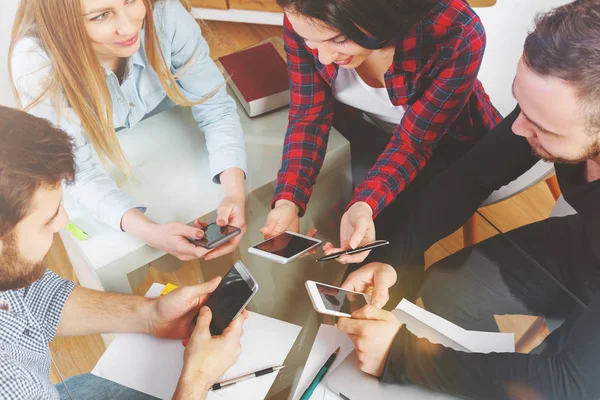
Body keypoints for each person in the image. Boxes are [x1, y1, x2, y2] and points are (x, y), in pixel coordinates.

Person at [336, 1, 600, 398]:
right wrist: (390, 258)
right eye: (520, 105)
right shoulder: (550, 113)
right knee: (447, 289)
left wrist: (402, 357)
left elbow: (569, 383)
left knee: (550, 373)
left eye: (542, 127)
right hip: (586, 248)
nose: (520, 127)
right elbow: (473, 174)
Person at [0, 105, 245, 399]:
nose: (62, 221)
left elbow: (36, 297)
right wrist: (198, 378)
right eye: (46, 219)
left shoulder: (9, 277)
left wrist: (151, 314)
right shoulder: (10, 383)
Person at [261, 0, 502, 283]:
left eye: (339, 39)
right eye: (309, 42)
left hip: (446, 140)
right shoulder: (302, 14)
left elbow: (414, 143)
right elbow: (309, 113)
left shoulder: (456, 31)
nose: (323, 58)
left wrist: (365, 203)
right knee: (338, 207)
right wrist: (289, 200)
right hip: (367, 126)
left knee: (389, 240)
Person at [9, 0, 247, 262]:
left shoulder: (164, 13)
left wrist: (234, 193)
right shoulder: (36, 62)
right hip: (102, 174)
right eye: (101, 16)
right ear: (64, 23)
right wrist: (150, 231)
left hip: (172, 146)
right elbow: (76, 170)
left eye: (131, 1)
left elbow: (215, 107)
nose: (129, 26)